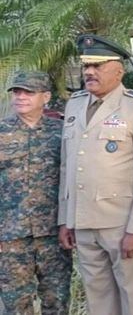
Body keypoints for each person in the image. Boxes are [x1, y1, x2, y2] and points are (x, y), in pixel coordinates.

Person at [58, 34, 133, 315]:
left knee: (132, 299)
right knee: (97, 300)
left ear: (119, 70)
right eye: (86, 66)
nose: (90, 72)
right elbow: (68, 166)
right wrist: (66, 219)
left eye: (98, 65)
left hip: (122, 223)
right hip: (83, 221)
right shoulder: (75, 104)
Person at [0, 71, 72, 314]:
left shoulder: (63, 132)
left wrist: (70, 223)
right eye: (17, 92)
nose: (21, 97)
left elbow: (73, 181)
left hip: (54, 234)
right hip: (10, 237)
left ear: (46, 97)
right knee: (16, 305)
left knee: (57, 301)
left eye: (28, 92)